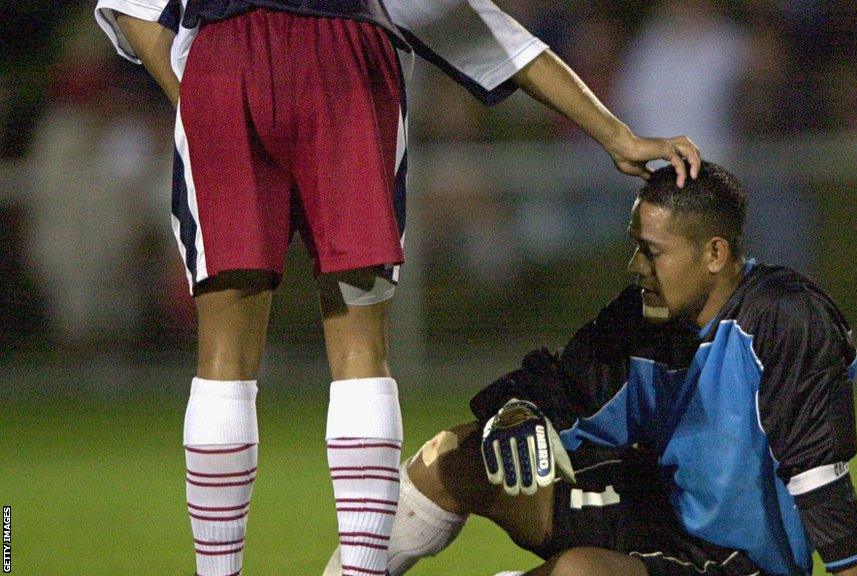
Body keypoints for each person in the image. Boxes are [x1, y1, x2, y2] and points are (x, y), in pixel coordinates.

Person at [92, 1, 702, 575]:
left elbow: (135, 9)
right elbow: (485, 30)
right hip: (344, 54)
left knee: (223, 358)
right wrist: (616, 134)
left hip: (226, 54)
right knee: (360, 350)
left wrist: (201, 95)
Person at [364, 163, 857, 576]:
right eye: (637, 245)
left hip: (741, 564)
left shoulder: (785, 319)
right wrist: (516, 410)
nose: (635, 264)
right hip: (653, 515)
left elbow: (820, 478)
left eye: (652, 251)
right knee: (453, 458)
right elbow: (556, 387)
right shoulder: (645, 315)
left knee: (578, 574)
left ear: (715, 253)